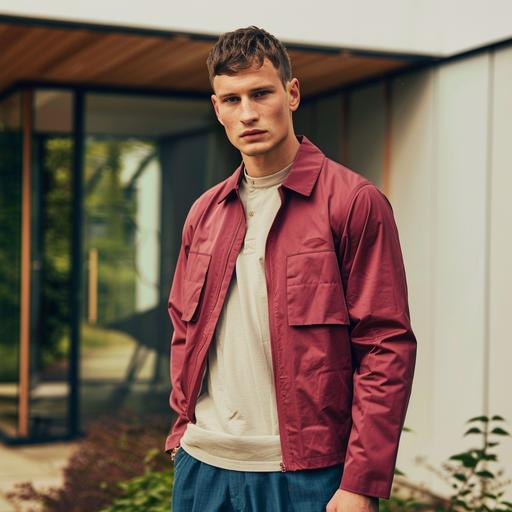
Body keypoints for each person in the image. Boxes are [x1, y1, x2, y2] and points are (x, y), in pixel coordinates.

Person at [165, 25, 417, 512]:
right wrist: (182, 430)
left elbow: (386, 348)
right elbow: (182, 328)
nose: (249, 113)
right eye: (232, 100)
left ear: (292, 93)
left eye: (261, 93)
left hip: (306, 477)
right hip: (202, 467)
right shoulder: (204, 213)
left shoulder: (353, 203)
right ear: (217, 108)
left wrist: (361, 481)